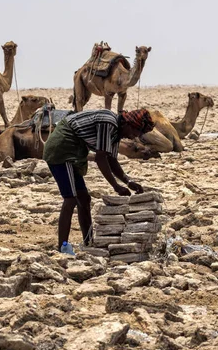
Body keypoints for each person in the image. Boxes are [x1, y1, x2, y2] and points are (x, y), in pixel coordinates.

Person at [43, 108, 155, 255]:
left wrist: (128, 182)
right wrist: (116, 186)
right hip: (62, 149)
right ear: (128, 124)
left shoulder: (116, 133)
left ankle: (89, 241)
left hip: (75, 151)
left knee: (84, 198)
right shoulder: (108, 123)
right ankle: (62, 246)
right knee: (70, 199)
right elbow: (101, 158)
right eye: (135, 132)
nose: (134, 137)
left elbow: (112, 160)